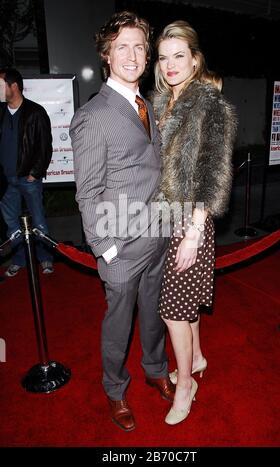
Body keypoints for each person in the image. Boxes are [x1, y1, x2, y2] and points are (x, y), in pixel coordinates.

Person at [70, 11, 174, 432]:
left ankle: (155, 367)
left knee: (153, 313)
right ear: (106, 56)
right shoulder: (94, 116)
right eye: (121, 47)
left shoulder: (144, 103)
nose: (131, 55)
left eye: (139, 46)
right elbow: (87, 193)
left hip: (157, 237)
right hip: (120, 247)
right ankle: (115, 390)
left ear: (146, 55)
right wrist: (106, 248)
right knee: (118, 325)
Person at [152, 21, 237, 425]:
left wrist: (194, 231)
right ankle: (197, 356)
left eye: (178, 56)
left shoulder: (208, 103)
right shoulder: (161, 101)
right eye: (164, 57)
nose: (170, 65)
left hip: (190, 222)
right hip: (166, 220)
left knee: (172, 311)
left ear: (195, 59)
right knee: (185, 306)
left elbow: (214, 170)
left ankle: (186, 384)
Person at [0, 68, 54, 276]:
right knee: (11, 224)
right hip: (4, 180)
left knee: (38, 221)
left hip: (28, 178)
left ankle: (46, 259)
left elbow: (45, 146)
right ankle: (19, 259)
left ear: (13, 86)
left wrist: (35, 173)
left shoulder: (35, 112)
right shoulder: (0, 112)